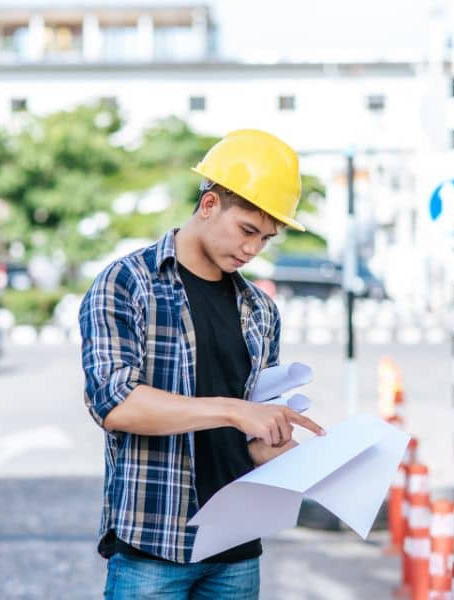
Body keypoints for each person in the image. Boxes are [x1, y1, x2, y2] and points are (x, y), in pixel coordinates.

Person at [79, 129, 325, 599]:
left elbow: (252, 440)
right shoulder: (128, 283)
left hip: (236, 549)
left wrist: (281, 450)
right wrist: (235, 410)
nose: (253, 249)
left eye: (266, 238)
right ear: (209, 205)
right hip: (154, 546)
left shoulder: (260, 309)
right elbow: (116, 404)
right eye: (247, 230)